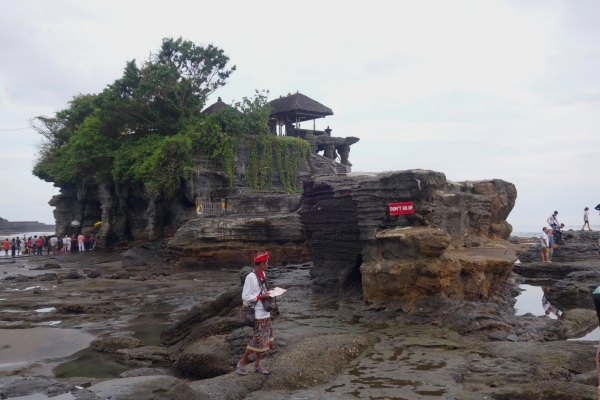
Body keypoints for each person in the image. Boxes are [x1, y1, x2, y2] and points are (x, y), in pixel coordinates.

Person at [236, 251, 274, 376]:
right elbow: (246, 296)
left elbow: (262, 291)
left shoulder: (263, 274)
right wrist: (260, 297)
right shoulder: (250, 277)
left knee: (264, 341)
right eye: (266, 262)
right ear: (262, 263)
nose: (267, 264)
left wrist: (270, 291)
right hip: (257, 314)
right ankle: (242, 363)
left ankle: (257, 365)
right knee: (257, 340)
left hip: (265, 313)